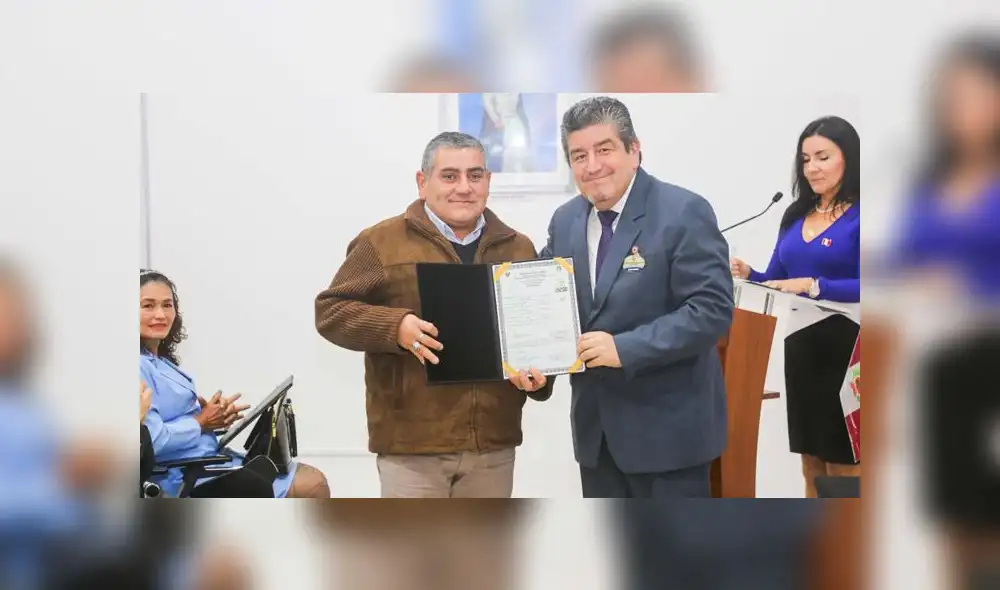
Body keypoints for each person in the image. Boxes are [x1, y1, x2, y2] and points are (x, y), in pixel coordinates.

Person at [315, 131, 552, 498]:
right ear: (422, 183)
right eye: (449, 175)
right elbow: (330, 311)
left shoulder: (518, 246)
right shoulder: (379, 242)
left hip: (492, 447)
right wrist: (396, 327)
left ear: (488, 182)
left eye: (475, 175)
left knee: (485, 555)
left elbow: (537, 330)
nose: (464, 187)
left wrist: (541, 378)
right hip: (411, 449)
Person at [539, 96, 734, 498]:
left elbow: (711, 310)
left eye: (604, 149)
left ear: (634, 149)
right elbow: (547, 302)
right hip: (597, 439)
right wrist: (531, 361)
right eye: (579, 155)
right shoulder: (566, 221)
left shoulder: (683, 211)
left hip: (668, 439)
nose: (592, 166)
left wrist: (624, 348)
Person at [730, 115, 861, 497]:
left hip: (846, 346)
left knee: (843, 459)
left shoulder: (863, 215)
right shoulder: (794, 214)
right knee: (811, 459)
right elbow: (777, 275)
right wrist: (748, 272)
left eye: (823, 157)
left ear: (848, 158)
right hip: (801, 346)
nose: (812, 168)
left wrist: (817, 286)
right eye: (805, 159)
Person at [140, 269, 330, 498]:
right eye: (148, 306)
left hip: (205, 460)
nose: (160, 314)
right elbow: (151, 441)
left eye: (167, 305)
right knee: (311, 484)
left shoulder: (159, 361)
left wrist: (211, 414)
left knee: (305, 477)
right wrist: (201, 421)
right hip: (181, 475)